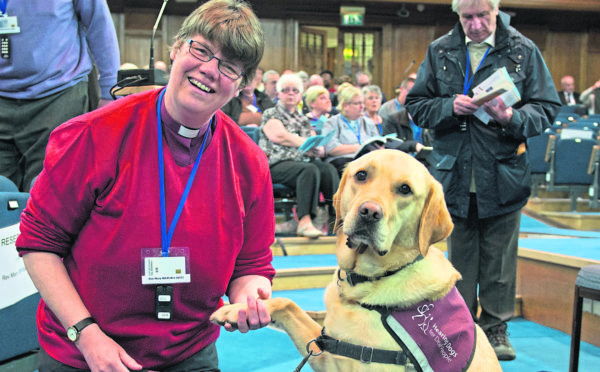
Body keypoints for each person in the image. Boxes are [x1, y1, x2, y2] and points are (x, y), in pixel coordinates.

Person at [17, 1, 276, 371]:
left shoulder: (249, 163)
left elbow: (251, 264)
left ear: (241, 86)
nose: (208, 69)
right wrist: (87, 334)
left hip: (188, 352)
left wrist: (250, 297)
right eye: (200, 50)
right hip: (83, 350)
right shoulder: (93, 135)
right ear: (175, 49)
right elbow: (38, 245)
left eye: (229, 66)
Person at [405, 0, 561, 362]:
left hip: (504, 170)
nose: (474, 24)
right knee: (458, 259)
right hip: (454, 171)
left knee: (500, 262)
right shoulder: (440, 49)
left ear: (496, 11)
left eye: (482, 16)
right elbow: (417, 103)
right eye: (467, 17)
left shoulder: (523, 50)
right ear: (458, 16)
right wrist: (448, 108)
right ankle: (462, 329)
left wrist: (511, 117)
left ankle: (496, 328)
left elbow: (547, 108)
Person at [0, 0, 120, 192]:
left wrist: (109, 91)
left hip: (57, 97)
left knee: (49, 197)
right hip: (2, 101)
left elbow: (100, 26)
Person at [259, 73, 339, 238]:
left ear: (300, 95)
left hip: (300, 162)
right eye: (286, 90)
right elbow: (280, 136)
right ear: (279, 94)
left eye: (295, 90)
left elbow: (313, 140)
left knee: (327, 169)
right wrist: (305, 143)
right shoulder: (271, 113)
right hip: (276, 163)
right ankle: (305, 220)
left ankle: (336, 219)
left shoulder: (303, 119)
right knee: (308, 170)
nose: (290, 93)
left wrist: (318, 149)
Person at [322, 85, 380, 176]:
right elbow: (331, 149)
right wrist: (360, 147)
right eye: (357, 103)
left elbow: (377, 142)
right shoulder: (332, 123)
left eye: (362, 103)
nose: (362, 107)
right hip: (343, 161)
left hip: (367, 160)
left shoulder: (368, 123)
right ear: (345, 105)